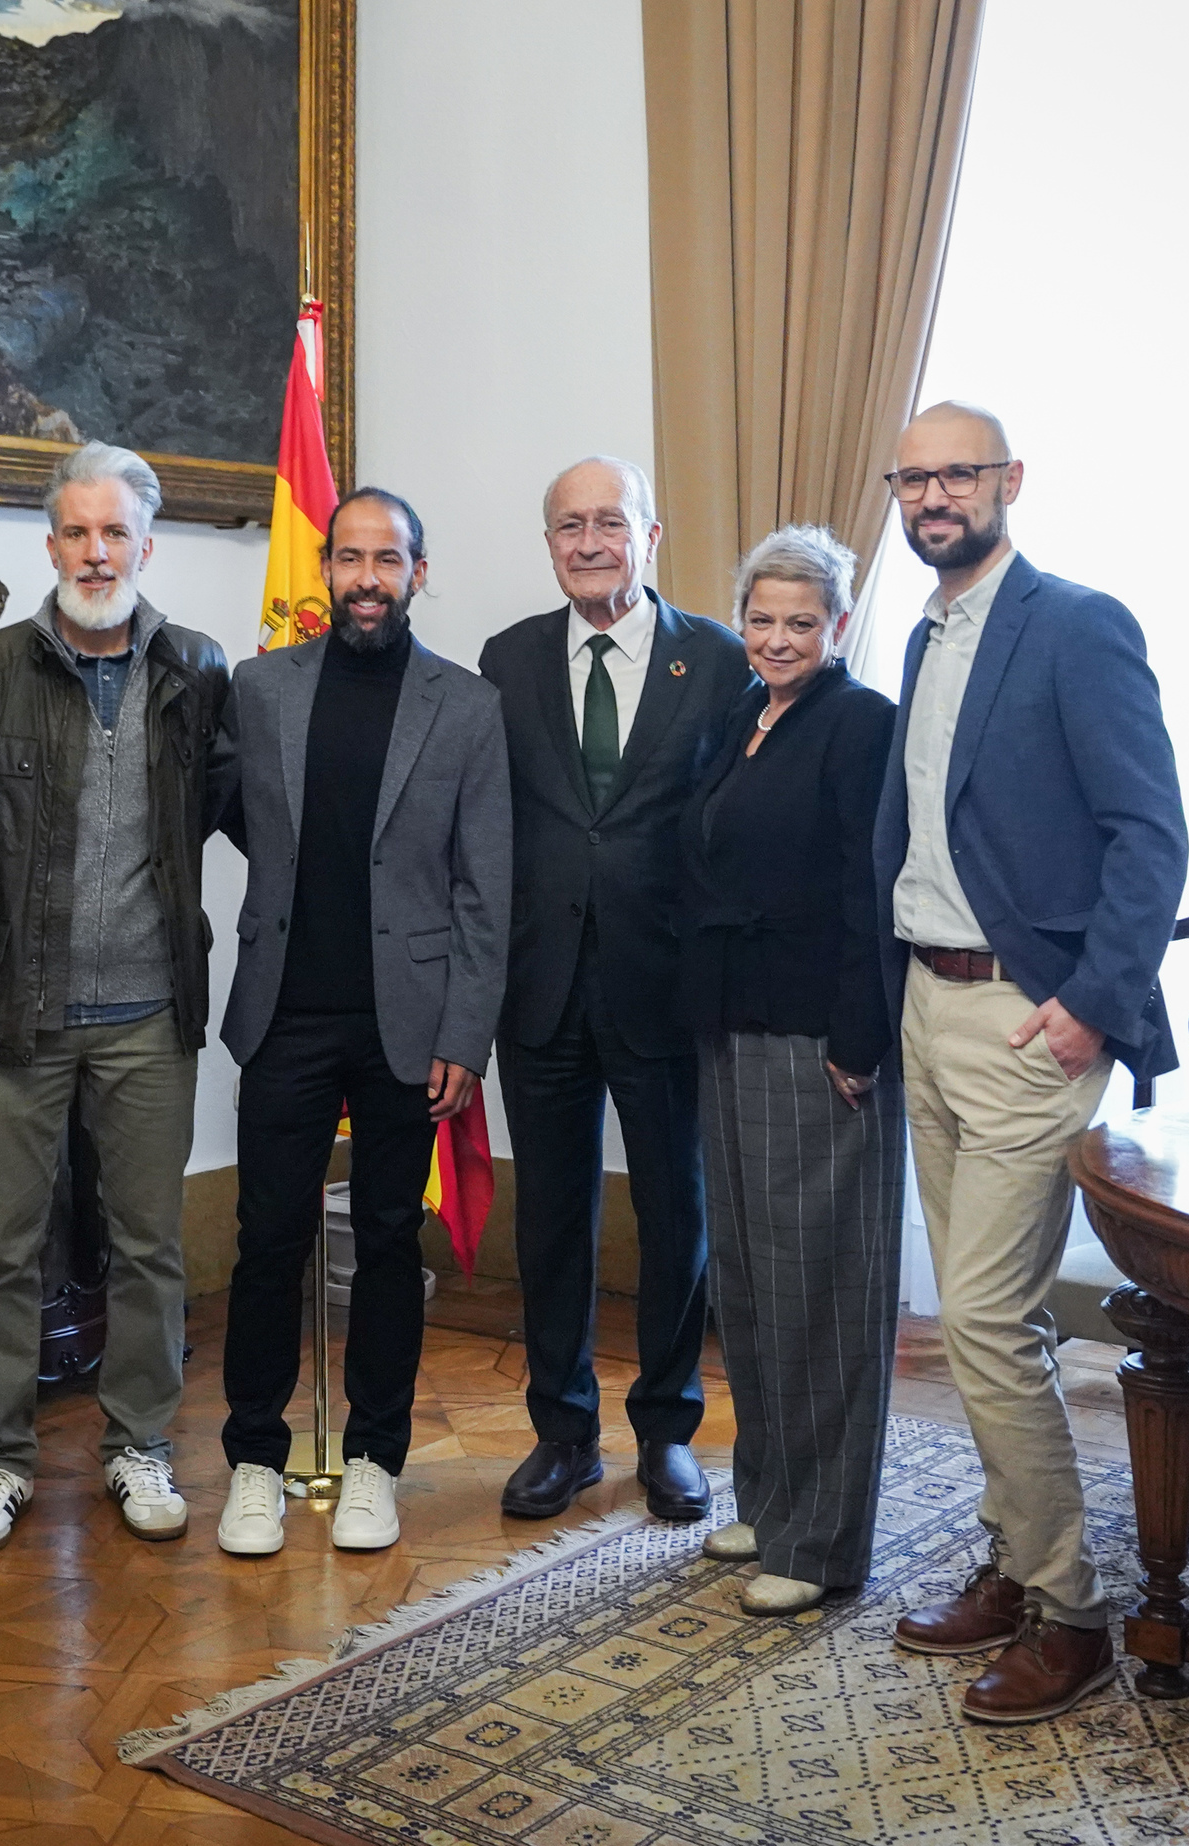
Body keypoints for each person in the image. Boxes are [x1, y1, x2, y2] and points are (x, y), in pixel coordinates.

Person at [872, 402, 1186, 1723]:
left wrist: (1090, 1005)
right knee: (974, 1316)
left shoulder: (1076, 623)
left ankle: (1072, 1611)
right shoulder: (922, 631)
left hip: (1025, 1022)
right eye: (915, 476)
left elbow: (1149, 830)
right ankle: (1010, 1563)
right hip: (923, 1008)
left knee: (990, 1325)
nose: (935, 494)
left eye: (959, 472)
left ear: (1009, 480)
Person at [0, 443, 232, 1558]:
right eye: (77, 533)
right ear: (51, 546)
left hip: (149, 1012)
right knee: (4, 1249)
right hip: (11, 1015)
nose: (98, 552)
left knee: (150, 1248)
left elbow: (255, 812)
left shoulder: (197, 666)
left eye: (116, 534)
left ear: (147, 545)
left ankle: (139, 1442)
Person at [207, 488, 511, 1556]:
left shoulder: (467, 706)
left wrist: (465, 1037)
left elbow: (486, 886)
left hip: (413, 1025)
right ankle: (255, 1457)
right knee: (267, 1241)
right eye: (348, 558)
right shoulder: (258, 688)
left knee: (387, 1240)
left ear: (419, 573)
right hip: (284, 1013)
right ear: (325, 569)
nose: (366, 577)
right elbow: (248, 825)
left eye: (389, 559)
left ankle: (378, 1458)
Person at [477, 458, 748, 1523]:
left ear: (653, 532)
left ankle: (668, 1430)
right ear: (549, 545)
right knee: (550, 1214)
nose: (589, 543)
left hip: (668, 984)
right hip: (539, 985)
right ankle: (563, 1431)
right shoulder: (506, 660)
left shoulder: (717, 662)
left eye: (609, 523)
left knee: (677, 1211)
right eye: (568, 527)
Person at [678, 525, 901, 1617]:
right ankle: (766, 1500)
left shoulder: (863, 724)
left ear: (838, 625)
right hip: (733, 1029)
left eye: (799, 622)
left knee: (821, 1292)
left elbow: (873, 890)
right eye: (760, 619)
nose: (776, 638)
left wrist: (860, 1038)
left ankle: (820, 1544)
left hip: (822, 1042)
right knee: (756, 1286)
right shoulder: (744, 718)